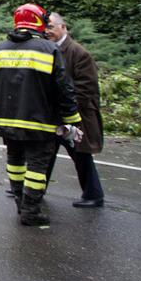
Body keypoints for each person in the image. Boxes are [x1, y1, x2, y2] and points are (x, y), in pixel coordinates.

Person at [0, 3, 83, 227]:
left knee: (15, 161)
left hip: (8, 120)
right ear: (38, 22)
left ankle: (20, 202)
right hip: (40, 121)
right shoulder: (49, 49)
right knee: (37, 165)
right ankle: (31, 210)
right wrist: (72, 118)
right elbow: (63, 87)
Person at [46, 12, 105, 208]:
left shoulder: (78, 53)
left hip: (73, 117)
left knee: (80, 156)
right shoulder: (50, 50)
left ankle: (93, 195)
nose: (48, 31)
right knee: (45, 154)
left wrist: (66, 108)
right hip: (55, 116)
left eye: (51, 27)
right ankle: (34, 192)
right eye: (45, 28)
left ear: (63, 27)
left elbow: (86, 88)